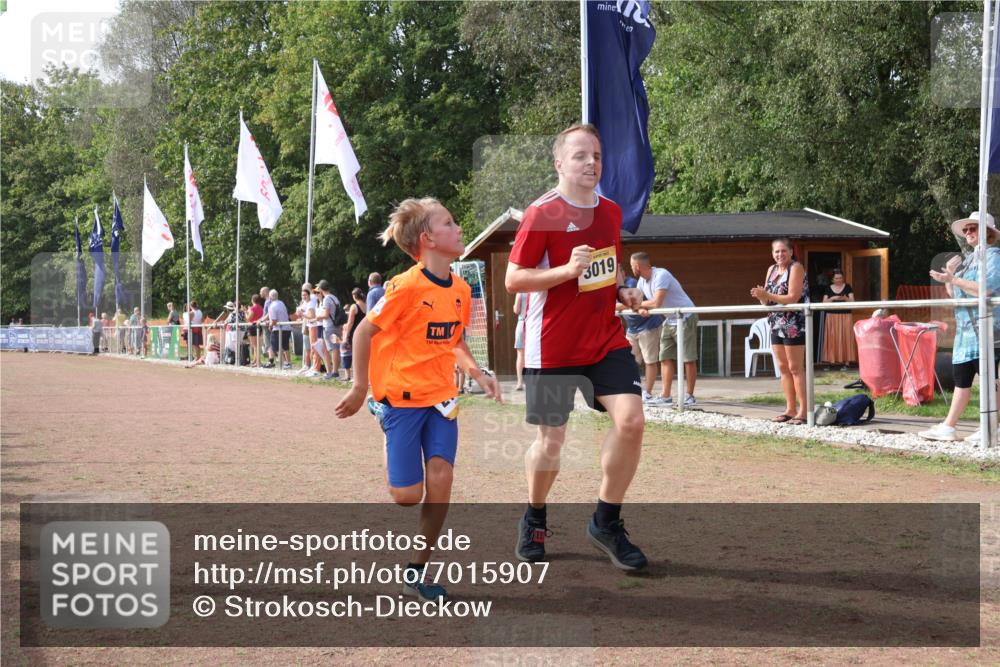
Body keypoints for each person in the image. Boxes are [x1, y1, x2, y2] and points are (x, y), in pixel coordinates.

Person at [335, 197, 501, 602]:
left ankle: (416, 568)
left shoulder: (461, 289)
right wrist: (360, 388)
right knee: (407, 497)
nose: (459, 228)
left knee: (442, 479)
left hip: (441, 398)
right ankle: (382, 413)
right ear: (428, 238)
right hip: (401, 400)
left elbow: (454, 338)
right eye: (451, 222)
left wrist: (478, 372)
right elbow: (362, 334)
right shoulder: (405, 287)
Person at [505, 123, 648, 571]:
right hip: (550, 348)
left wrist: (622, 291)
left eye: (597, 156)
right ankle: (535, 516)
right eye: (581, 155)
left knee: (632, 421)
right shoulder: (541, 213)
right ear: (559, 163)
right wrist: (566, 271)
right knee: (552, 441)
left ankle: (606, 521)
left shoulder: (610, 211)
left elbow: (606, 271)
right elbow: (514, 279)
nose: (592, 163)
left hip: (604, 339)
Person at [921, 212, 1000, 443]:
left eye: (972, 229)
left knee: (989, 379)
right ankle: (949, 426)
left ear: (988, 232)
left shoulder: (994, 255)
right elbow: (956, 294)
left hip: (987, 328)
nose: (968, 233)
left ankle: (991, 427)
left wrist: (954, 279)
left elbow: (988, 289)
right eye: (966, 230)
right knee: (962, 378)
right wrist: (950, 277)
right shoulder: (968, 259)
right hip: (966, 331)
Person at [751, 238, 810, 425]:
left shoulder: (796, 268)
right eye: (776, 251)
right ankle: (790, 409)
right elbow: (768, 301)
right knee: (783, 368)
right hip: (776, 321)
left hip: (794, 322)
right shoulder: (772, 270)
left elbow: (792, 297)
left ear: (791, 252)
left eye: (783, 251)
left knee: (795, 368)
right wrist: (762, 297)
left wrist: (767, 295)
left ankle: (804, 410)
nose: (780, 255)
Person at [821, 269, 856, 367]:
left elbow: (853, 302)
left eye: (840, 278)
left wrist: (845, 298)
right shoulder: (828, 288)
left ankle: (846, 362)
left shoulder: (848, 287)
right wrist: (832, 299)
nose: (839, 280)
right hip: (831, 316)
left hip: (846, 315)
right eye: (836, 278)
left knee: (846, 337)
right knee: (832, 338)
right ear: (832, 279)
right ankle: (831, 361)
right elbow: (823, 303)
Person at [317, 279, 342, 380]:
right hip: (336, 326)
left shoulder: (327, 299)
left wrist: (318, 317)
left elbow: (326, 314)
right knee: (336, 349)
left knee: (334, 349)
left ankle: (334, 372)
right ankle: (335, 371)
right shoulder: (334, 298)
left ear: (321, 289)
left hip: (330, 327)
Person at [341, 287, 367, 378]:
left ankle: (355, 377)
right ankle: (363, 376)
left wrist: (346, 335)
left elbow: (350, 322)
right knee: (363, 355)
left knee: (353, 355)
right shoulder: (366, 305)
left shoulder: (354, 306)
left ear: (354, 296)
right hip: (364, 332)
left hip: (354, 333)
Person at [266, 289, 292, 370]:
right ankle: (288, 363)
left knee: (275, 347)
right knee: (285, 347)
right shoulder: (281, 303)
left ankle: (285, 362)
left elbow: (274, 320)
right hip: (287, 327)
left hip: (278, 329)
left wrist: (270, 325)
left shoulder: (272, 306)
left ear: (270, 297)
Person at [513, 292, 527, 391]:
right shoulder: (538, 289)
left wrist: (514, 306)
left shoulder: (521, 292)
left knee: (520, 355)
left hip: (522, 323)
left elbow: (516, 310)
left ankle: (519, 382)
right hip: (535, 324)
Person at [247, 295, 264, 367]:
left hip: (253, 326)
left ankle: (258, 361)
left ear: (252, 300)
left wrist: (246, 312)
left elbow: (248, 318)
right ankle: (255, 360)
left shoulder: (253, 308)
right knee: (257, 345)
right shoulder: (261, 308)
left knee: (255, 345)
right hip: (259, 326)